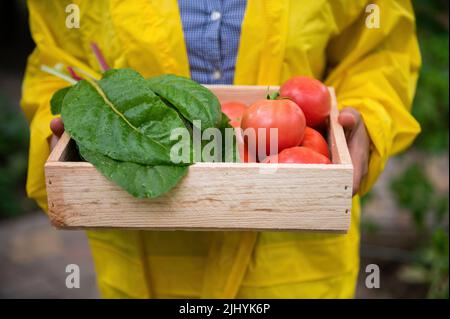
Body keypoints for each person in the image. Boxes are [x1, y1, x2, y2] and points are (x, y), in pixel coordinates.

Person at [21, 0, 421, 298]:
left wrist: (369, 118)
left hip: (293, 258)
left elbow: (381, 50)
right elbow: (54, 59)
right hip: (147, 255)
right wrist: (71, 130)